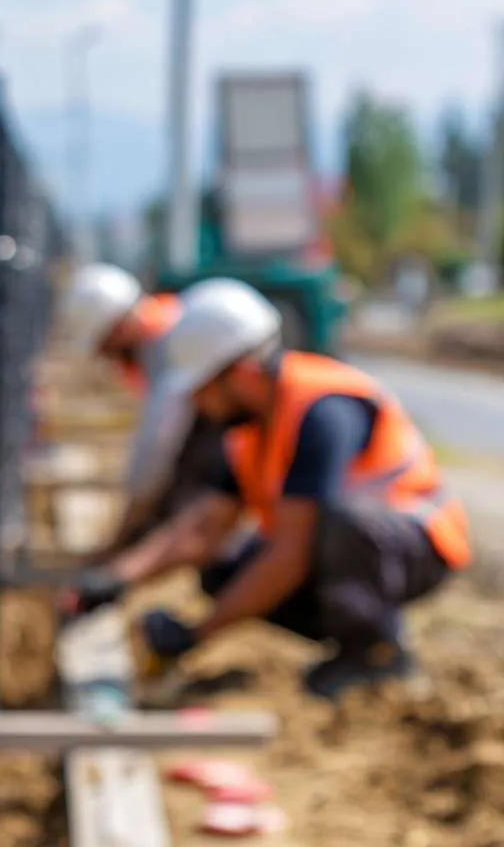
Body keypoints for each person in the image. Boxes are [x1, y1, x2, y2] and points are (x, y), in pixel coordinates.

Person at [94, 278, 471, 700]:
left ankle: (376, 653)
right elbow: (204, 529)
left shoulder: (322, 412)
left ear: (240, 374)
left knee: (338, 527)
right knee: (224, 569)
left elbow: (291, 552)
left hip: (417, 544)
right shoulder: (248, 430)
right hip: (358, 547)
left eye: (202, 390)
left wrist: (197, 635)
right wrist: (115, 579)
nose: (198, 406)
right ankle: (348, 634)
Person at [50, 265, 228, 612]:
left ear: (118, 326)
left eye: (105, 344)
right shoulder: (169, 326)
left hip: (218, 453)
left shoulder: (164, 346)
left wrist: (120, 538)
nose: (107, 356)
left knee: (178, 493)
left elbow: (156, 451)